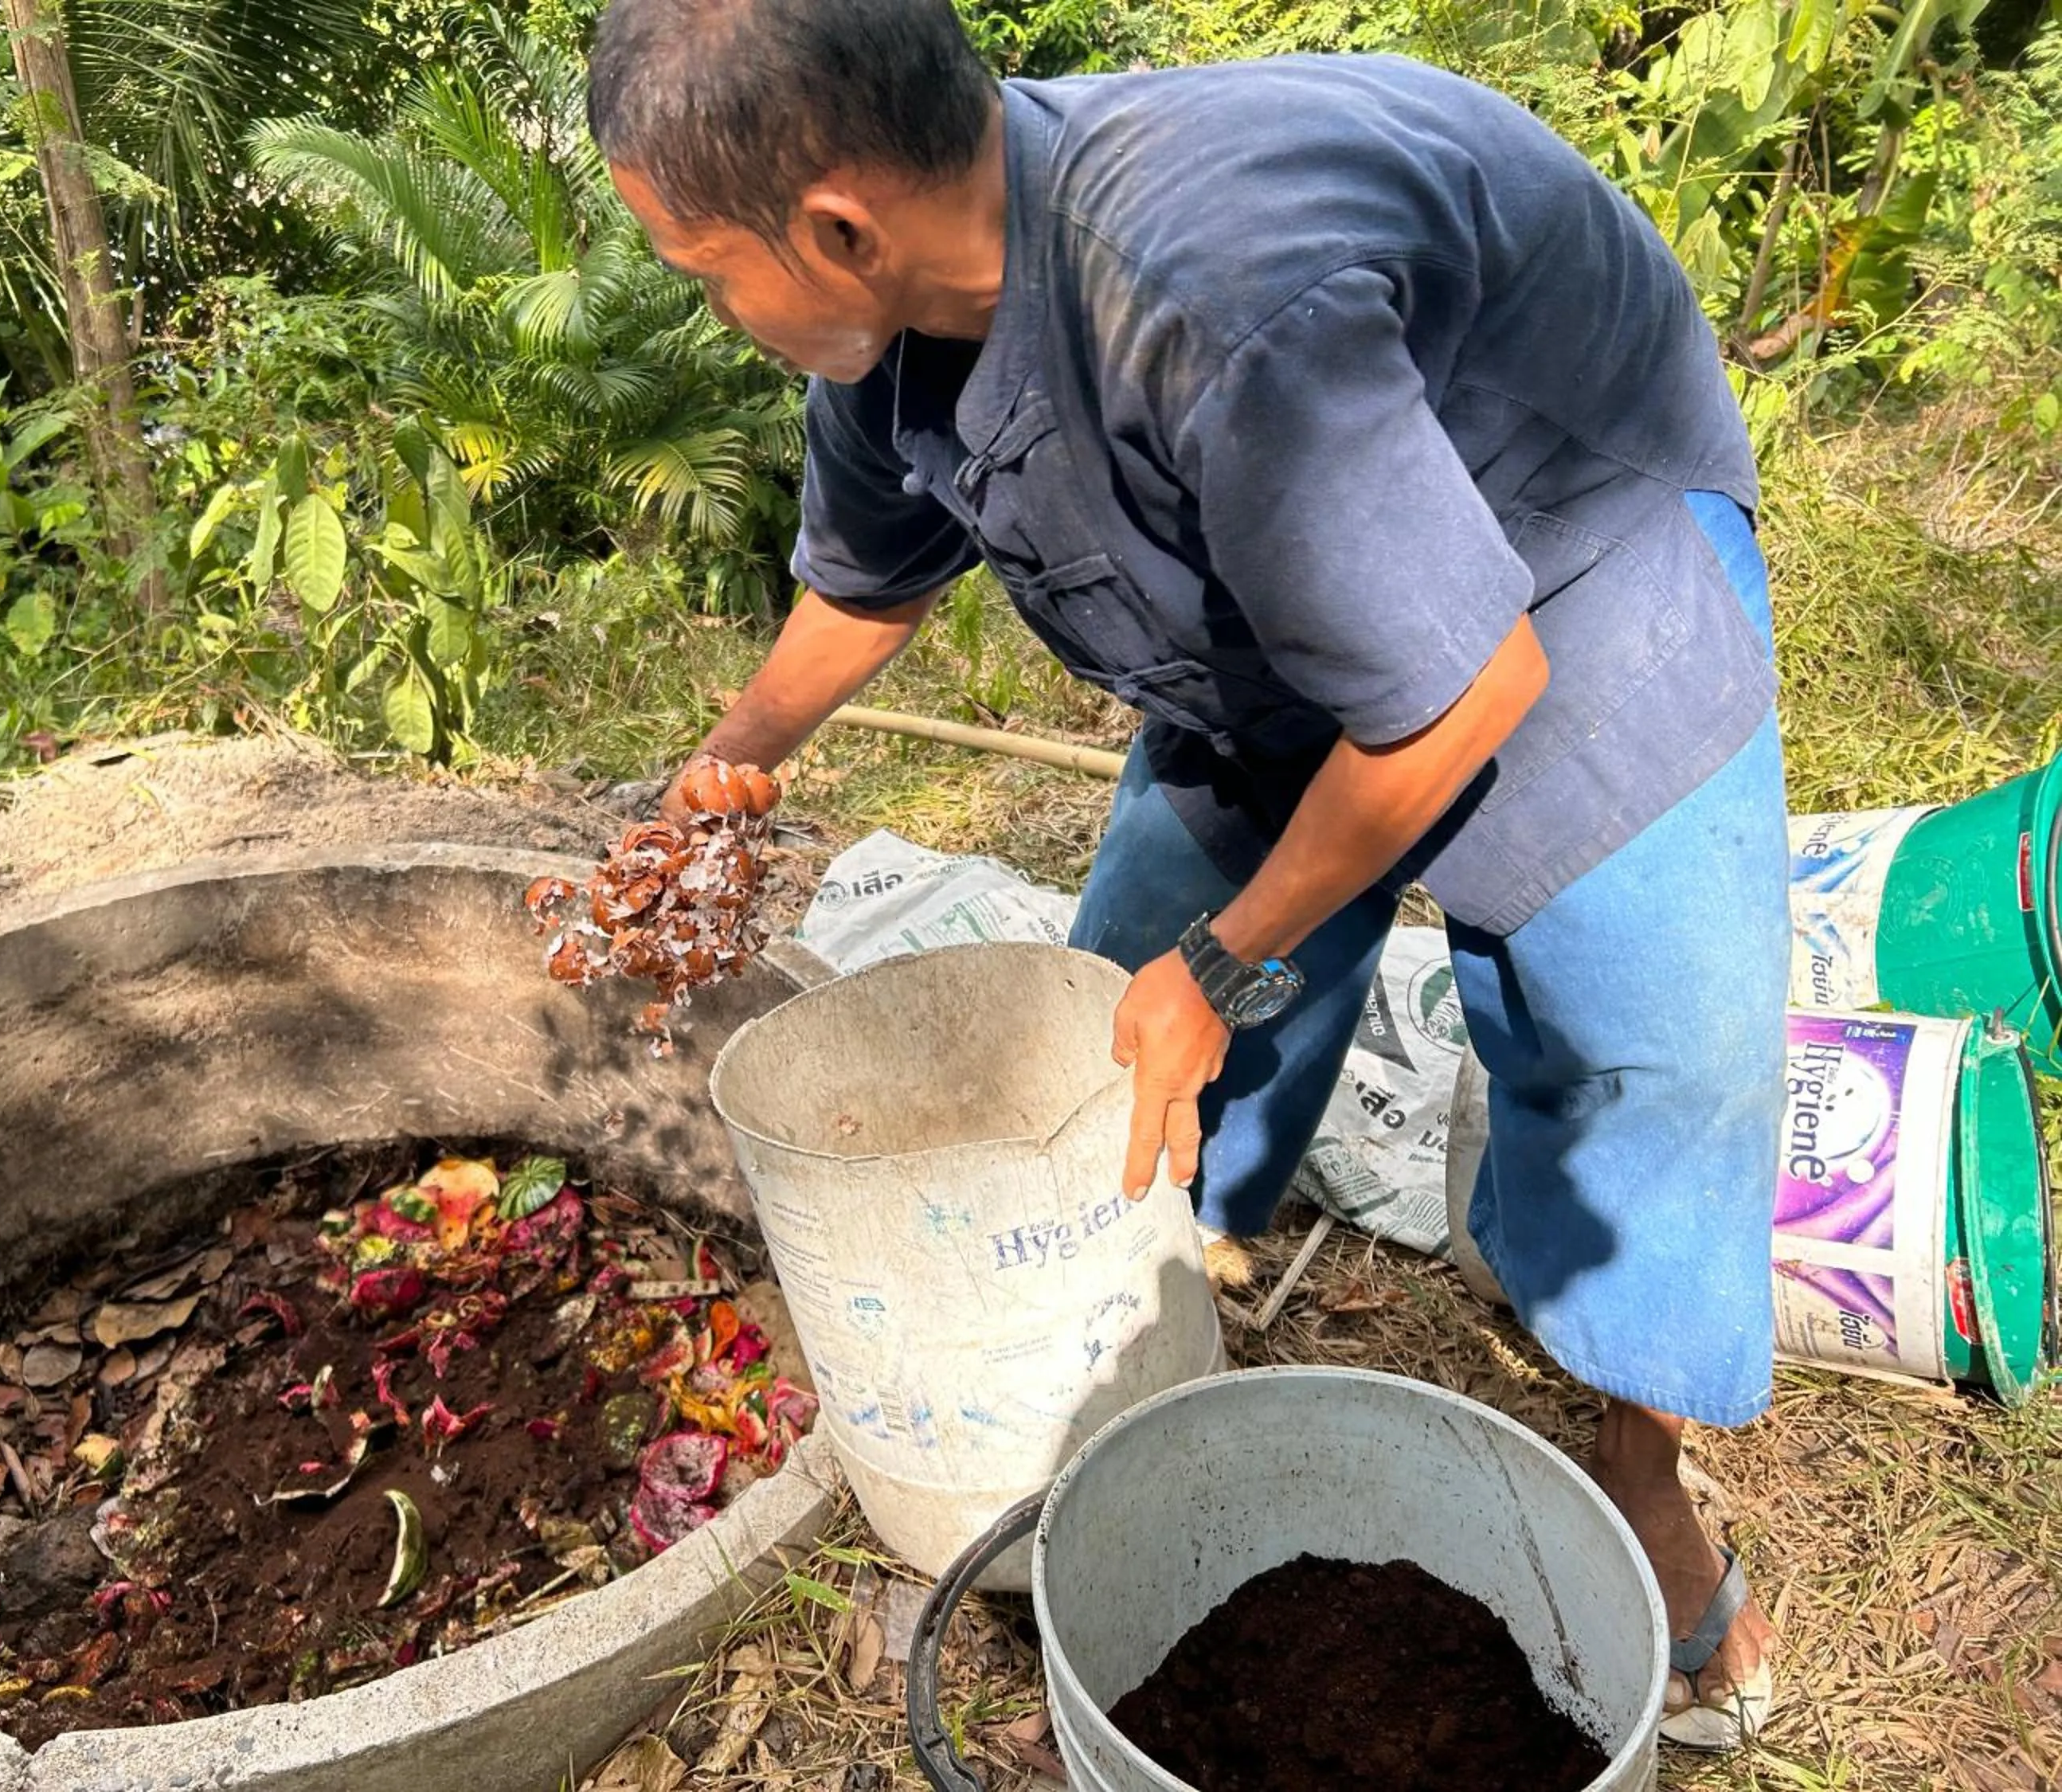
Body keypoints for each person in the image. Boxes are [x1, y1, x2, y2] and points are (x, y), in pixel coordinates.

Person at [588, 0, 1783, 1750]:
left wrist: (1228, 964)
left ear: (836, 226)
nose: (713, 310)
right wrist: (730, 768)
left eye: (705, 274)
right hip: (1281, 609)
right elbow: (865, 576)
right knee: (1121, 1011)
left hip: (1564, 550)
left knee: (1644, 1058)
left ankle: (1642, 1482)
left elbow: (1467, 691)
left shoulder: (1210, 300)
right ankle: (1184, 1272)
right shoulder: (898, 323)